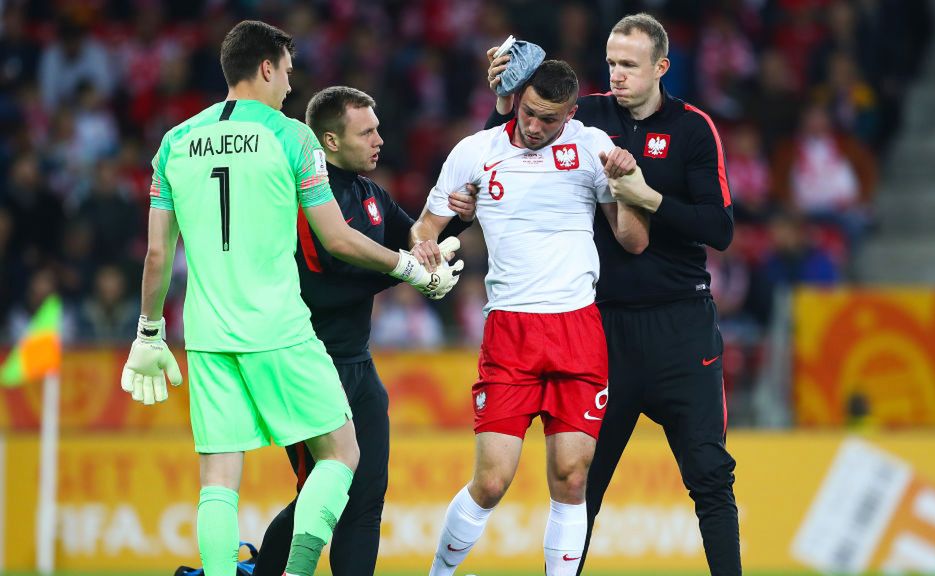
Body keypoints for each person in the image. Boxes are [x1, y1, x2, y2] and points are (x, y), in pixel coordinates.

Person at [119, 21, 460, 576]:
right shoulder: (292, 137)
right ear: (266, 68)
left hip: (205, 334)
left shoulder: (174, 142)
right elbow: (337, 237)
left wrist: (149, 332)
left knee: (218, 483)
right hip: (280, 328)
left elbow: (157, 257)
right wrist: (406, 268)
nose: (289, 88)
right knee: (344, 455)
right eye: (287, 74)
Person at [484, 12, 742, 575]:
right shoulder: (589, 116)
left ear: (661, 68)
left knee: (708, 476)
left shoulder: (693, 129)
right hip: (604, 329)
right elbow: (510, 143)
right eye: (611, 63)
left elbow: (720, 229)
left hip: (681, 327)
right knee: (581, 481)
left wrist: (647, 197)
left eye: (629, 65)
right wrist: (503, 103)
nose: (617, 75)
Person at [412, 60, 649, 576]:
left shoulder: (593, 148)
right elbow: (424, 227)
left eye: (549, 119)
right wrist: (425, 253)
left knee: (571, 476)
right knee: (492, 481)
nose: (535, 126)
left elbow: (633, 241)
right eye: (530, 112)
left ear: (571, 114)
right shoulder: (475, 152)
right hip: (511, 331)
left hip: (578, 329)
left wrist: (627, 184)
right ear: (516, 98)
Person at [251, 85, 475, 576]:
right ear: (330, 141)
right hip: (308, 366)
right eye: (367, 131)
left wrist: (459, 218)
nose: (379, 139)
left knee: (367, 496)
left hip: (357, 365)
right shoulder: (307, 197)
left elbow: (414, 237)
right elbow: (326, 285)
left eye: (378, 128)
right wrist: (407, 271)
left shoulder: (369, 193)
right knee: (319, 498)